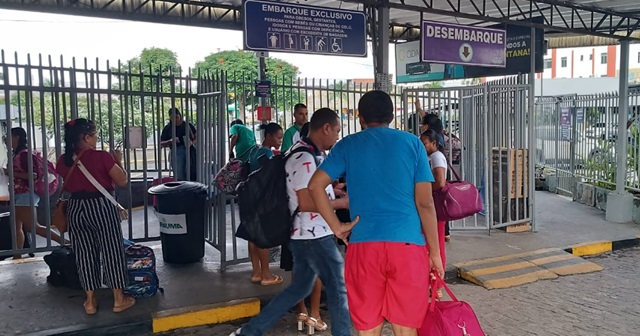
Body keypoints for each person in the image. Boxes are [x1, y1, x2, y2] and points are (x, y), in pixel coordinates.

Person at [308, 90, 444, 336]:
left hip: (363, 247)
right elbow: (425, 204)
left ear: (360, 117)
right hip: (407, 247)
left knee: (368, 329)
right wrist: (434, 253)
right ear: (392, 115)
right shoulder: (413, 143)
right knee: (406, 329)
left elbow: (315, 185)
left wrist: (338, 229)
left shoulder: (347, 145)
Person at [231, 109, 351, 336]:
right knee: (337, 288)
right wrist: (341, 204)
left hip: (306, 234)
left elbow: (305, 191)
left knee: (299, 288)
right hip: (313, 235)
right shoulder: (304, 157)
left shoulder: (307, 152)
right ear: (325, 128)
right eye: (336, 131)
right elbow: (305, 202)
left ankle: (249, 332)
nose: (336, 136)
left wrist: (331, 191)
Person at [56, 119, 135, 315]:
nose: (97, 138)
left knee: (84, 253)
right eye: (95, 135)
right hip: (101, 206)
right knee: (111, 250)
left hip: (75, 207)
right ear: (87, 137)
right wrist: (118, 160)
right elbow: (122, 180)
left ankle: (90, 301)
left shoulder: (63, 160)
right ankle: (119, 299)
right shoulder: (102, 157)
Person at [6, 127, 66, 259]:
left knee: (33, 227)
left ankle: (66, 243)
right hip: (19, 194)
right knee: (16, 226)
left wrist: (8, 173)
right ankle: (17, 255)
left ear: (16, 137)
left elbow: (32, 175)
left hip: (26, 194)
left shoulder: (23, 154)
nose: (6, 139)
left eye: (8, 136)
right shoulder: (18, 154)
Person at [236, 123, 284, 287]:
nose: (280, 141)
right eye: (278, 137)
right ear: (269, 136)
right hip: (262, 199)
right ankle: (266, 275)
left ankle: (256, 272)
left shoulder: (254, 150)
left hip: (250, 196)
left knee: (252, 235)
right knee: (261, 237)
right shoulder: (266, 153)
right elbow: (270, 177)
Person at [420, 129, 448, 297]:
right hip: (433, 208)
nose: (422, 147)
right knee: (432, 245)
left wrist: (421, 190)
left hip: (435, 209)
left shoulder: (436, 156)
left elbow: (440, 181)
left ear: (434, 143)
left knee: (436, 245)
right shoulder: (430, 157)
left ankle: (437, 285)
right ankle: (433, 283)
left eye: (425, 144)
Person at [160, 108, 197, 181]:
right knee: (179, 173)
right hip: (176, 151)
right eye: (172, 118)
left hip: (190, 150)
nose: (175, 119)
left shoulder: (188, 125)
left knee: (192, 171)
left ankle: (191, 186)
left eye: (176, 117)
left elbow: (197, 136)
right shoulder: (168, 128)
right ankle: (182, 187)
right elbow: (161, 143)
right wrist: (170, 141)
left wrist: (192, 142)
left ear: (180, 116)